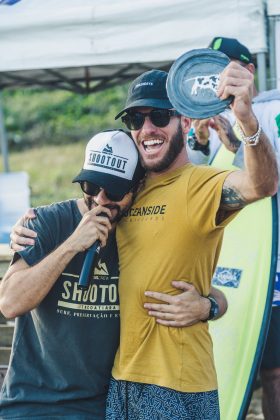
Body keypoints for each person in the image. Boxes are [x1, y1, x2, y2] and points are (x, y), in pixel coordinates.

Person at [0, 129, 227, 419]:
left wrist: (207, 306)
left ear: (138, 186)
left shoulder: (144, 232)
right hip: (31, 404)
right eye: (91, 186)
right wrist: (72, 245)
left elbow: (215, 292)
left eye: (115, 191)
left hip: (101, 406)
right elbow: (9, 302)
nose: (101, 199)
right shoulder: (48, 221)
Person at [105, 63, 278, 420]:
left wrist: (246, 120)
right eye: (136, 120)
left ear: (183, 122)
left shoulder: (202, 183)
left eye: (158, 116)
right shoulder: (123, 190)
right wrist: (37, 222)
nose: (147, 129)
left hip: (177, 385)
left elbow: (262, 185)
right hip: (117, 381)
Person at [188, 36, 280, 420]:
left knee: (274, 372)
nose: (218, 78)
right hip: (221, 265)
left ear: (248, 69)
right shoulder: (198, 113)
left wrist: (238, 136)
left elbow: (265, 183)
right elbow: (192, 189)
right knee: (224, 366)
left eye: (225, 67)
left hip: (268, 266)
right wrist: (199, 140)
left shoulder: (272, 109)